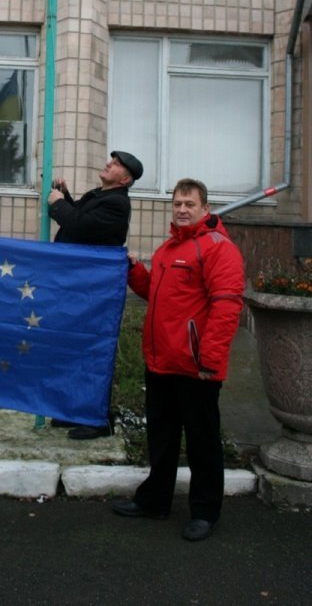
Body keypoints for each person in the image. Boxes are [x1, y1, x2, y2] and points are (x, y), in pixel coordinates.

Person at [111, 178, 244, 542]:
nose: (182, 209)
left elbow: (227, 304)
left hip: (196, 367)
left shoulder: (219, 249)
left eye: (190, 204)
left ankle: (205, 512)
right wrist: (136, 271)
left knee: (202, 442)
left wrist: (210, 359)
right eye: (177, 204)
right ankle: (155, 501)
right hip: (161, 363)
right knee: (163, 439)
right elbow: (155, 294)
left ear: (205, 208)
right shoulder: (170, 248)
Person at [47, 150, 143, 439]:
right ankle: (75, 410)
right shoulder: (102, 196)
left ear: (124, 179)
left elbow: (78, 226)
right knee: (74, 348)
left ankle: (98, 419)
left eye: (115, 165)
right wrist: (64, 195)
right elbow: (81, 219)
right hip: (79, 284)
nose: (108, 164)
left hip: (94, 290)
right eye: (110, 161)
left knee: (91, 353)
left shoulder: (117, 204)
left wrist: (58, 206)